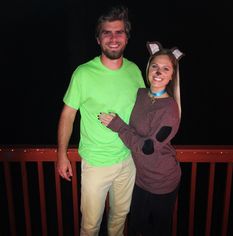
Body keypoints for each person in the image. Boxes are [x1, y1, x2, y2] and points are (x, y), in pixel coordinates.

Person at [56, 4, 145, 236]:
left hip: (128, 160)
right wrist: (61, 154)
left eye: (119, 32)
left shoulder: (135, 71)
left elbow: (146, 111)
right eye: (107, 32)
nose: (113, 38)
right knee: (90, 225)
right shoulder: (83, 73)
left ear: (126, 38)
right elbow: (68, 115)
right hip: (96, 163)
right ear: (98, 39)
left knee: (119, 219)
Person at [99, 41, 184, 236]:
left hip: (163, 181)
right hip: (141, 179)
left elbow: (147, 147)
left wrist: (118, 126)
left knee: (158, 231)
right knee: (137, 228)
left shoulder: (170, 110)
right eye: (154, 66)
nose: (158, 71)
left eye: (165, 68)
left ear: (172, 76)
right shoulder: (140, 94)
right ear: (148, 69)